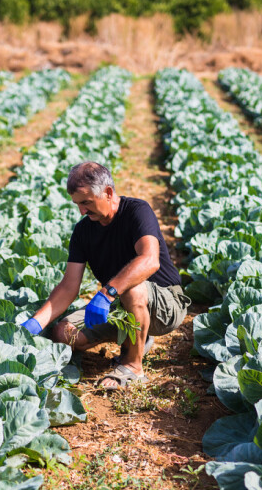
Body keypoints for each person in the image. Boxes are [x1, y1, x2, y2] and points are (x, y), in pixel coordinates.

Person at [19, 162, 191, 390]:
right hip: (119, 305)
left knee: (131, 288)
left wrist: (107, 292)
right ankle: (138, 336)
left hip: (165, 304)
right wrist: (35, 323)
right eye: (77, 204)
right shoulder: (83, 232)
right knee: (63, 333)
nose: (81, 211)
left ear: (108, 193)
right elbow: (69, 286)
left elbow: (150, 260)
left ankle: (132, 366)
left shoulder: (137, 211)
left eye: (86, 202)